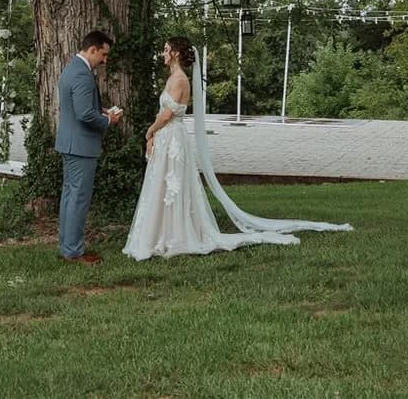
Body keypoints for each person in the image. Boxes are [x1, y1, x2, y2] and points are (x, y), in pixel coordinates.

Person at [123, 37, 351, 261]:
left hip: (172, 137)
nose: (163, 54)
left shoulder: (180, 79)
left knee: (172, 183)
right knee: (162, 184)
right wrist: (154, 135)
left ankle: (173, 235)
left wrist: (149, 131)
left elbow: (167, 114)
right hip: (166, 137)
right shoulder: (172, 77)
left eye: (165, 50)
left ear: (175, 53)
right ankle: (160, 232)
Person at [54, 29, 122, 263]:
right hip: (81, 145)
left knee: (69, 196)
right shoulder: (83, 74)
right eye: (103, 55)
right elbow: (83, 114)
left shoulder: (70, 68)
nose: (104, 60)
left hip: (69, 143)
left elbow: (77, 108)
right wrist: (108, 120)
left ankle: (67, 246)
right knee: (78, 198)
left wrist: (99, 111)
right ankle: (73, 251)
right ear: (92, 49)